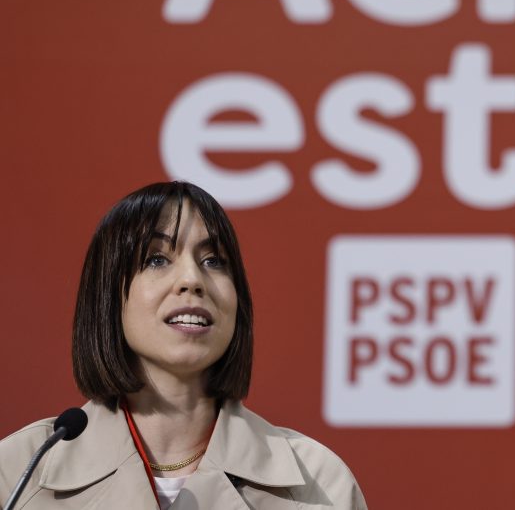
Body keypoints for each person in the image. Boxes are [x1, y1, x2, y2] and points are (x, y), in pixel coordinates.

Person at [0, 182, 368, 509]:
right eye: (156, 259)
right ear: (107, 296)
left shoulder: (319, 485)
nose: (192, 279)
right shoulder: (17, 473)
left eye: (214, 261)